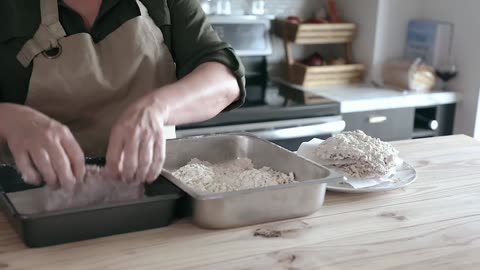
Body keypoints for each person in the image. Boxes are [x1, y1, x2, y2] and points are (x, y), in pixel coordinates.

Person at [0, 0, 246, 187]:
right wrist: (9, 118)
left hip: (153, 191)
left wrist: (157, 108)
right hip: (25, 195)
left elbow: (224, 79)